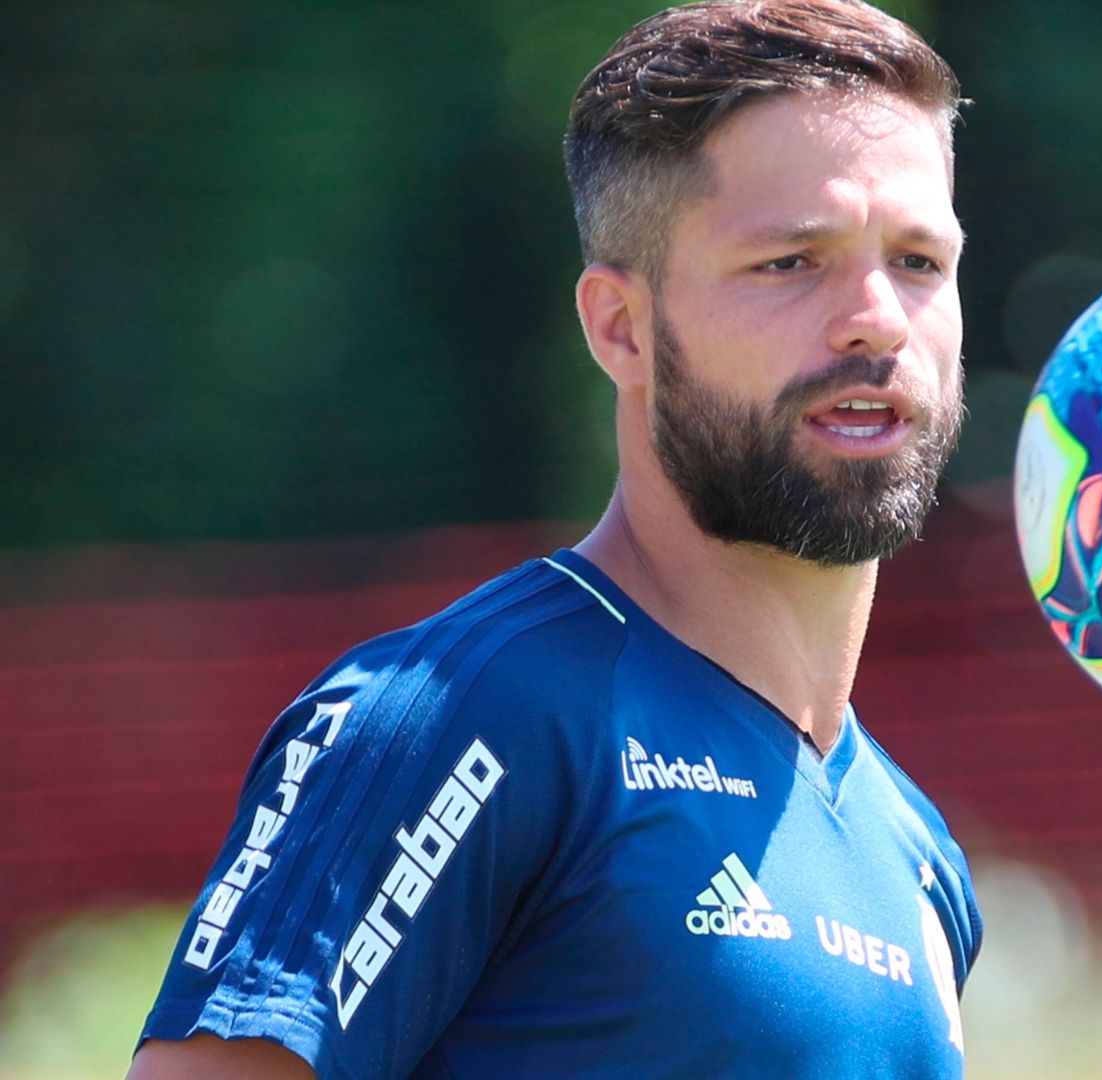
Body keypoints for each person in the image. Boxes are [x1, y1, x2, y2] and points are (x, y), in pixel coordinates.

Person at [127, 1, 980, 1075]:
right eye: (790, 262)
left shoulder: (918, 855)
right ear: (622, 328)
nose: (878, 318)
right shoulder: (469, 715)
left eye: (919, 261)